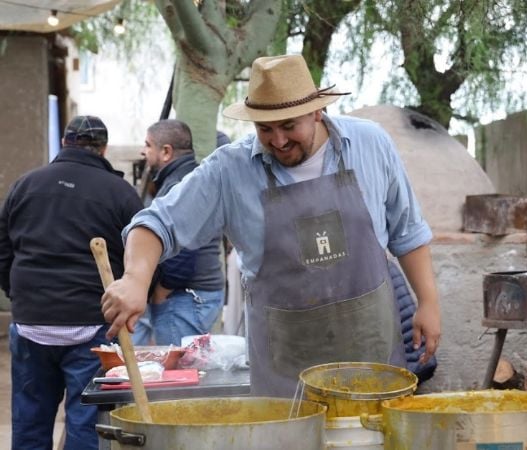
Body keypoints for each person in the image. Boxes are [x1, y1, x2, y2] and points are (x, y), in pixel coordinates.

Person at [100, 54, 442, 396]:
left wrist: (428, 301)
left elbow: (407, 231)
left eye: (289, 125)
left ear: (316, 111)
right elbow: (156, 224)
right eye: (265, 129)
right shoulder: (229, 170)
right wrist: (135, 279)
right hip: (286, 374)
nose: (278, 141)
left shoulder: (371, 144)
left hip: (371, 356)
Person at [0, 115, 143, 450]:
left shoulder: (24, 185)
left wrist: (18, 295)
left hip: (31, 322)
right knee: (86, 421)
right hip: (92, 323)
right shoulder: (120, 193)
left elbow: (2, 250)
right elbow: (141, 257)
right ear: (103, 149)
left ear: (64, 143)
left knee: (30, 419)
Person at [131, 120, 225, 346]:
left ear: (166, 152)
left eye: (148, 145)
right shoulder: (184, 178)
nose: (144, 151)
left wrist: (162, 292)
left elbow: (186, 246)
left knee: (177, 378)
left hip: (182, 296)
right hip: (186, 295)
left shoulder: (180, 184)